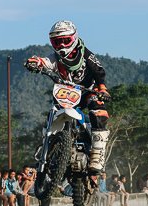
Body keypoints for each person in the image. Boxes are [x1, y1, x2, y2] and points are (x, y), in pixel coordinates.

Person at [25, 21, 111, 174]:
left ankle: (97, 154)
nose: (62, 45)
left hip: (87, 91)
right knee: (52, 115)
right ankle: (47, 148)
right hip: (65, 92)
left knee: (99, 109)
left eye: (66, 40)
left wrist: (102, 89)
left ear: (74, 38)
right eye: (58, 41)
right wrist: (35, 61)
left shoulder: (86, 54)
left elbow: (99, 71)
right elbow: (45, 62)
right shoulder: (55, 58)